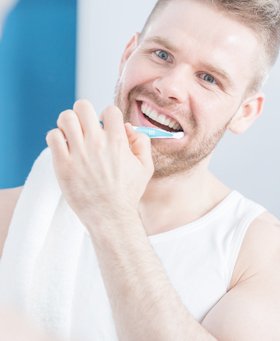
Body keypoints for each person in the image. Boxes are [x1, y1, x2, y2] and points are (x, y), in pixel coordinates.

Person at [1, 0, 280, 340]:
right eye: (161, 54)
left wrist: (111, 214)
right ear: (128, 54)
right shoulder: (20, 213)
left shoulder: (259, 256)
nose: (169, 87)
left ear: (245, 112)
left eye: (208, 78)